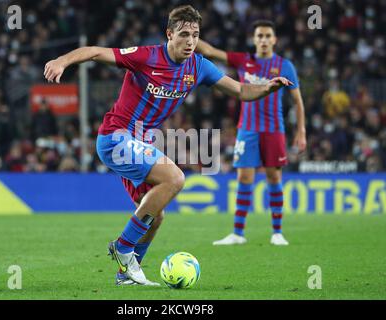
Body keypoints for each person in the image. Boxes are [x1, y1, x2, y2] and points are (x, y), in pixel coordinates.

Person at [44, 6, 292, 286]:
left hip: (140, 143)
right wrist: (62, 60)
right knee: (175, 178)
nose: (190, 41)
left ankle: (126, 273)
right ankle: (123, 246)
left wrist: (267, 88)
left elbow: (240, 90)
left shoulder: (198, 66)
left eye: (195, 35)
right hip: (117, 137)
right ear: (169, 34)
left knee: (156, 214)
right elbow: (95, 51)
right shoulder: (147, 56)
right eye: (184, 34)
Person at [196, 20, 307, 246]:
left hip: (274, 129)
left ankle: (277, 232)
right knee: (244, 178)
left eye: (268, 36)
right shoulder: (243, 61)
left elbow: (297, 100)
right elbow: (208, 51)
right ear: (254, 39)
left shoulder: (284, 65)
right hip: (247, 129)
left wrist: (301, 130)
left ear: (274, 40)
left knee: (274, 178)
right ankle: (238, 233)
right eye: (260, 36)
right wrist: (185, 35)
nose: (264, 40)